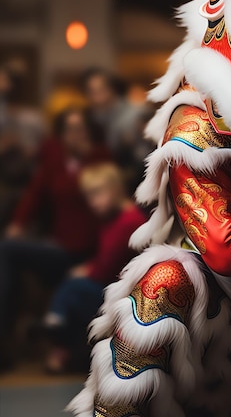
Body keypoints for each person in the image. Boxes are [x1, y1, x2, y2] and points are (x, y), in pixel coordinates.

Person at [0, 106, 109, 370]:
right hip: (60, 248)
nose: (75, 134)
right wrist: (18, 223)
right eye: (69, 129)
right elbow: (34, 194)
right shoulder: (56, 161)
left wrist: (86, 156)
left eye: (80, 128)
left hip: (88, 249)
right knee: (7, 251)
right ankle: (4, 341)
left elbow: (107, 198)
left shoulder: (99, 158)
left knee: (7, 252)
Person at [43, 162, 147, 373]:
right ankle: (61, 343)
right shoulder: (112, 219)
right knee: (74, 289)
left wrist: (85, 271)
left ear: (116, 189)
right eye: (88, 196)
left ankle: (55, 326)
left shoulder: (129, 220)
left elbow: (105, 270)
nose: (92, 202)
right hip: (112, 288)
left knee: (75, 287)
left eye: (98, 193)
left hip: (127, 295)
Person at [80, 67, 150, 188]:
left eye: (101, 89)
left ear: (112, 89)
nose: (97, 96)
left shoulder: (136, 114)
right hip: (101, 182)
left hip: (137, 181)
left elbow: (150, 152)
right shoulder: (88, 119)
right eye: (91, 92)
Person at [0, 66, 44, 230]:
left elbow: (40, 148)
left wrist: (20, 146)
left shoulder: (31, 116)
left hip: (25, 176)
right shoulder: (3, 113)